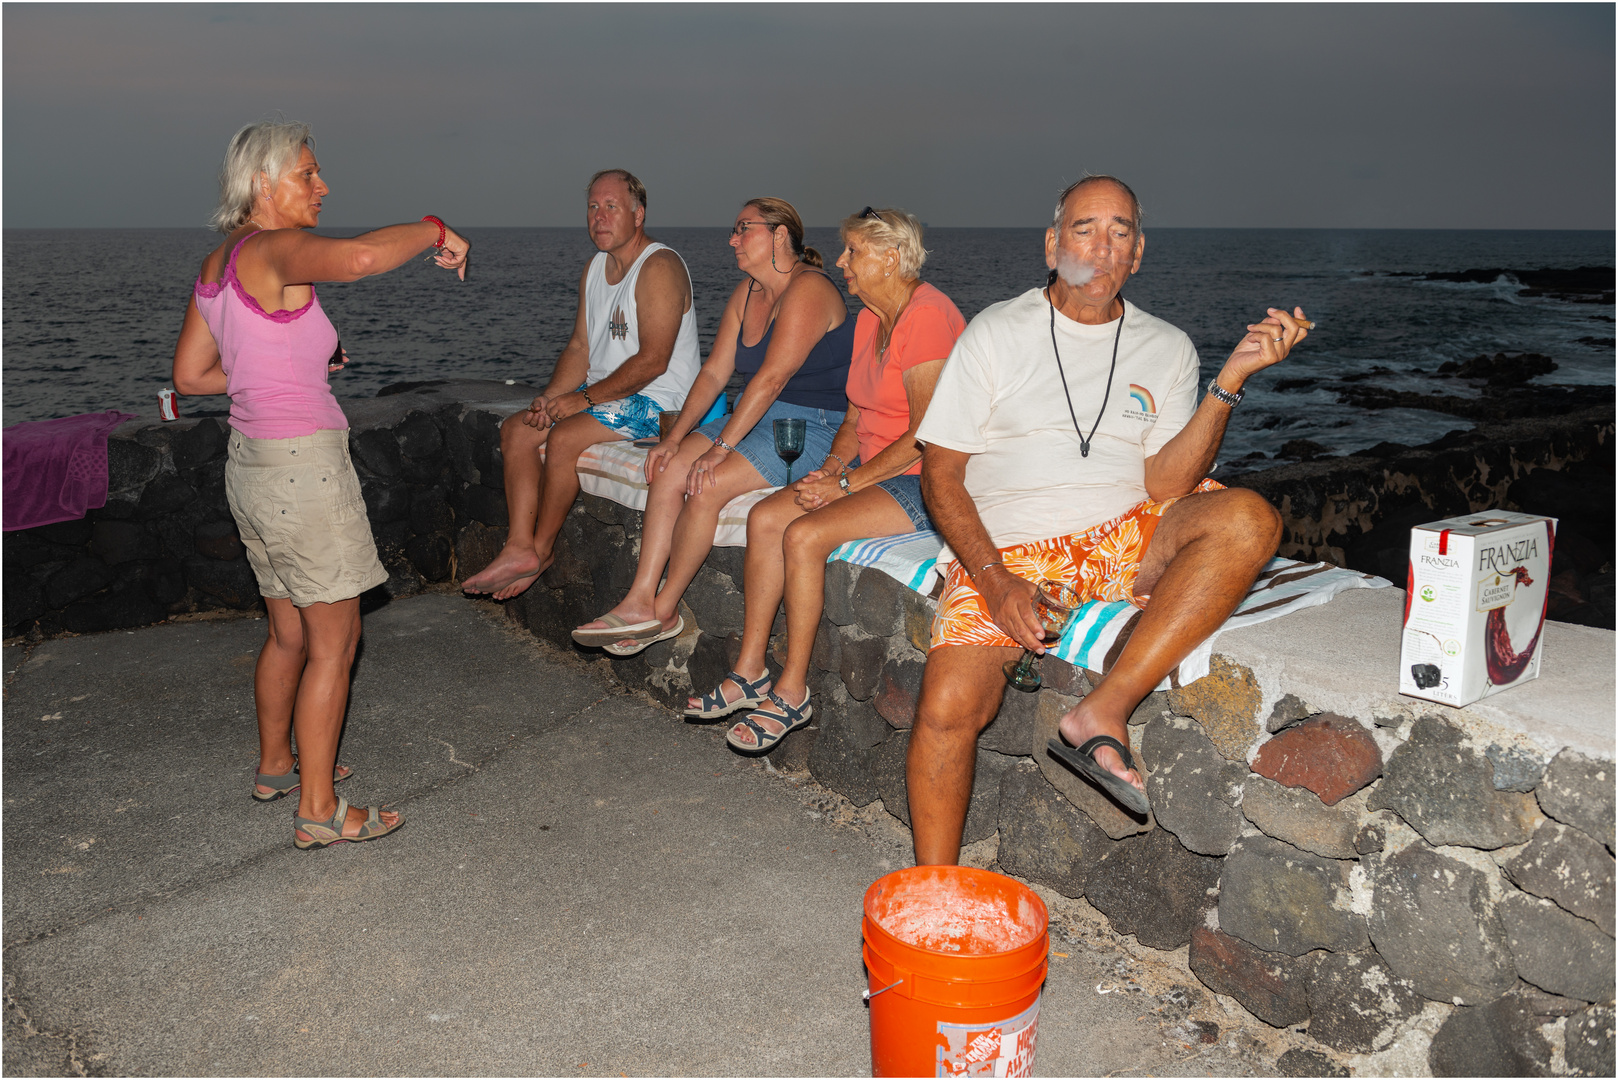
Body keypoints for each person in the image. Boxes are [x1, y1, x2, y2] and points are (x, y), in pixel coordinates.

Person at [908, 175, 1307, 865]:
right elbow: (939, 475)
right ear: (1052, 244)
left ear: (1139, 252)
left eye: (1119, 232)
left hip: (1127, 533)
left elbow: (1168, 482)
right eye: (1085, 228)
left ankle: (1103, 711)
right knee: (947, 710)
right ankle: (934, 893)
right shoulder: (997, 332)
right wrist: (996, 581)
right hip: (1017, 552)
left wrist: (1232, 377)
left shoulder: (1169, 346)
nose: (1102, 246)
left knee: (1249, 519)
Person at [172, 120, 469, 849]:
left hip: (252, 462)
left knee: (288, 634)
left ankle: (277, 765)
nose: (322, 186)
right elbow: (363, 257)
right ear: (264, 184)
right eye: (308, 174)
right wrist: (434, 227)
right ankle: (319, 810)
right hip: (303, 468)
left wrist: (292, 370)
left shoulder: (219, 263)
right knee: (334, 643)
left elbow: (191, 376)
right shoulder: (275, 248)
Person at [689, 208, 966, 753]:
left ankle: (793, 692)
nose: (841, 262)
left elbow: (924, 437)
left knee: (803, 534)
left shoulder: (928, 316)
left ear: (891, 257)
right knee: (767, 517)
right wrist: (833, 468)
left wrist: (846, 485)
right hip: (865, 471)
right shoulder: (869, 318)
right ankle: (750, 672)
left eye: (854, 252)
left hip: (922, 479)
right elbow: (854, 417)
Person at [571, 198, 853, 653]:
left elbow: (772, 378)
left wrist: (719, 447)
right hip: (758, 414)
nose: (732, 239)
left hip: (812, 424)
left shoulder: (811, 289)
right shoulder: (747, 293)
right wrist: (676, 438)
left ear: (780, 236)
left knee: (706, 481)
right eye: (734, 230)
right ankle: (639, 598)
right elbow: (714, 372)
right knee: (668, 466)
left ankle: (663, 610)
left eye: (744, 229)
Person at [460, 169, 703, 600]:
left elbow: (653, 361)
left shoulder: (659, 266)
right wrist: (551, 397)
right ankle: (518, 547)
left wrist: (581, 400)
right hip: (606, 397)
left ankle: (542, 548)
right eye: (593, 207)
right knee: (517, 429)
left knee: (567, 437)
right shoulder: (594, 268)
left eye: (611, 206)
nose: (599, 217)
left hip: (658, 402)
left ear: (638, 214)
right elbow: (579, 348)